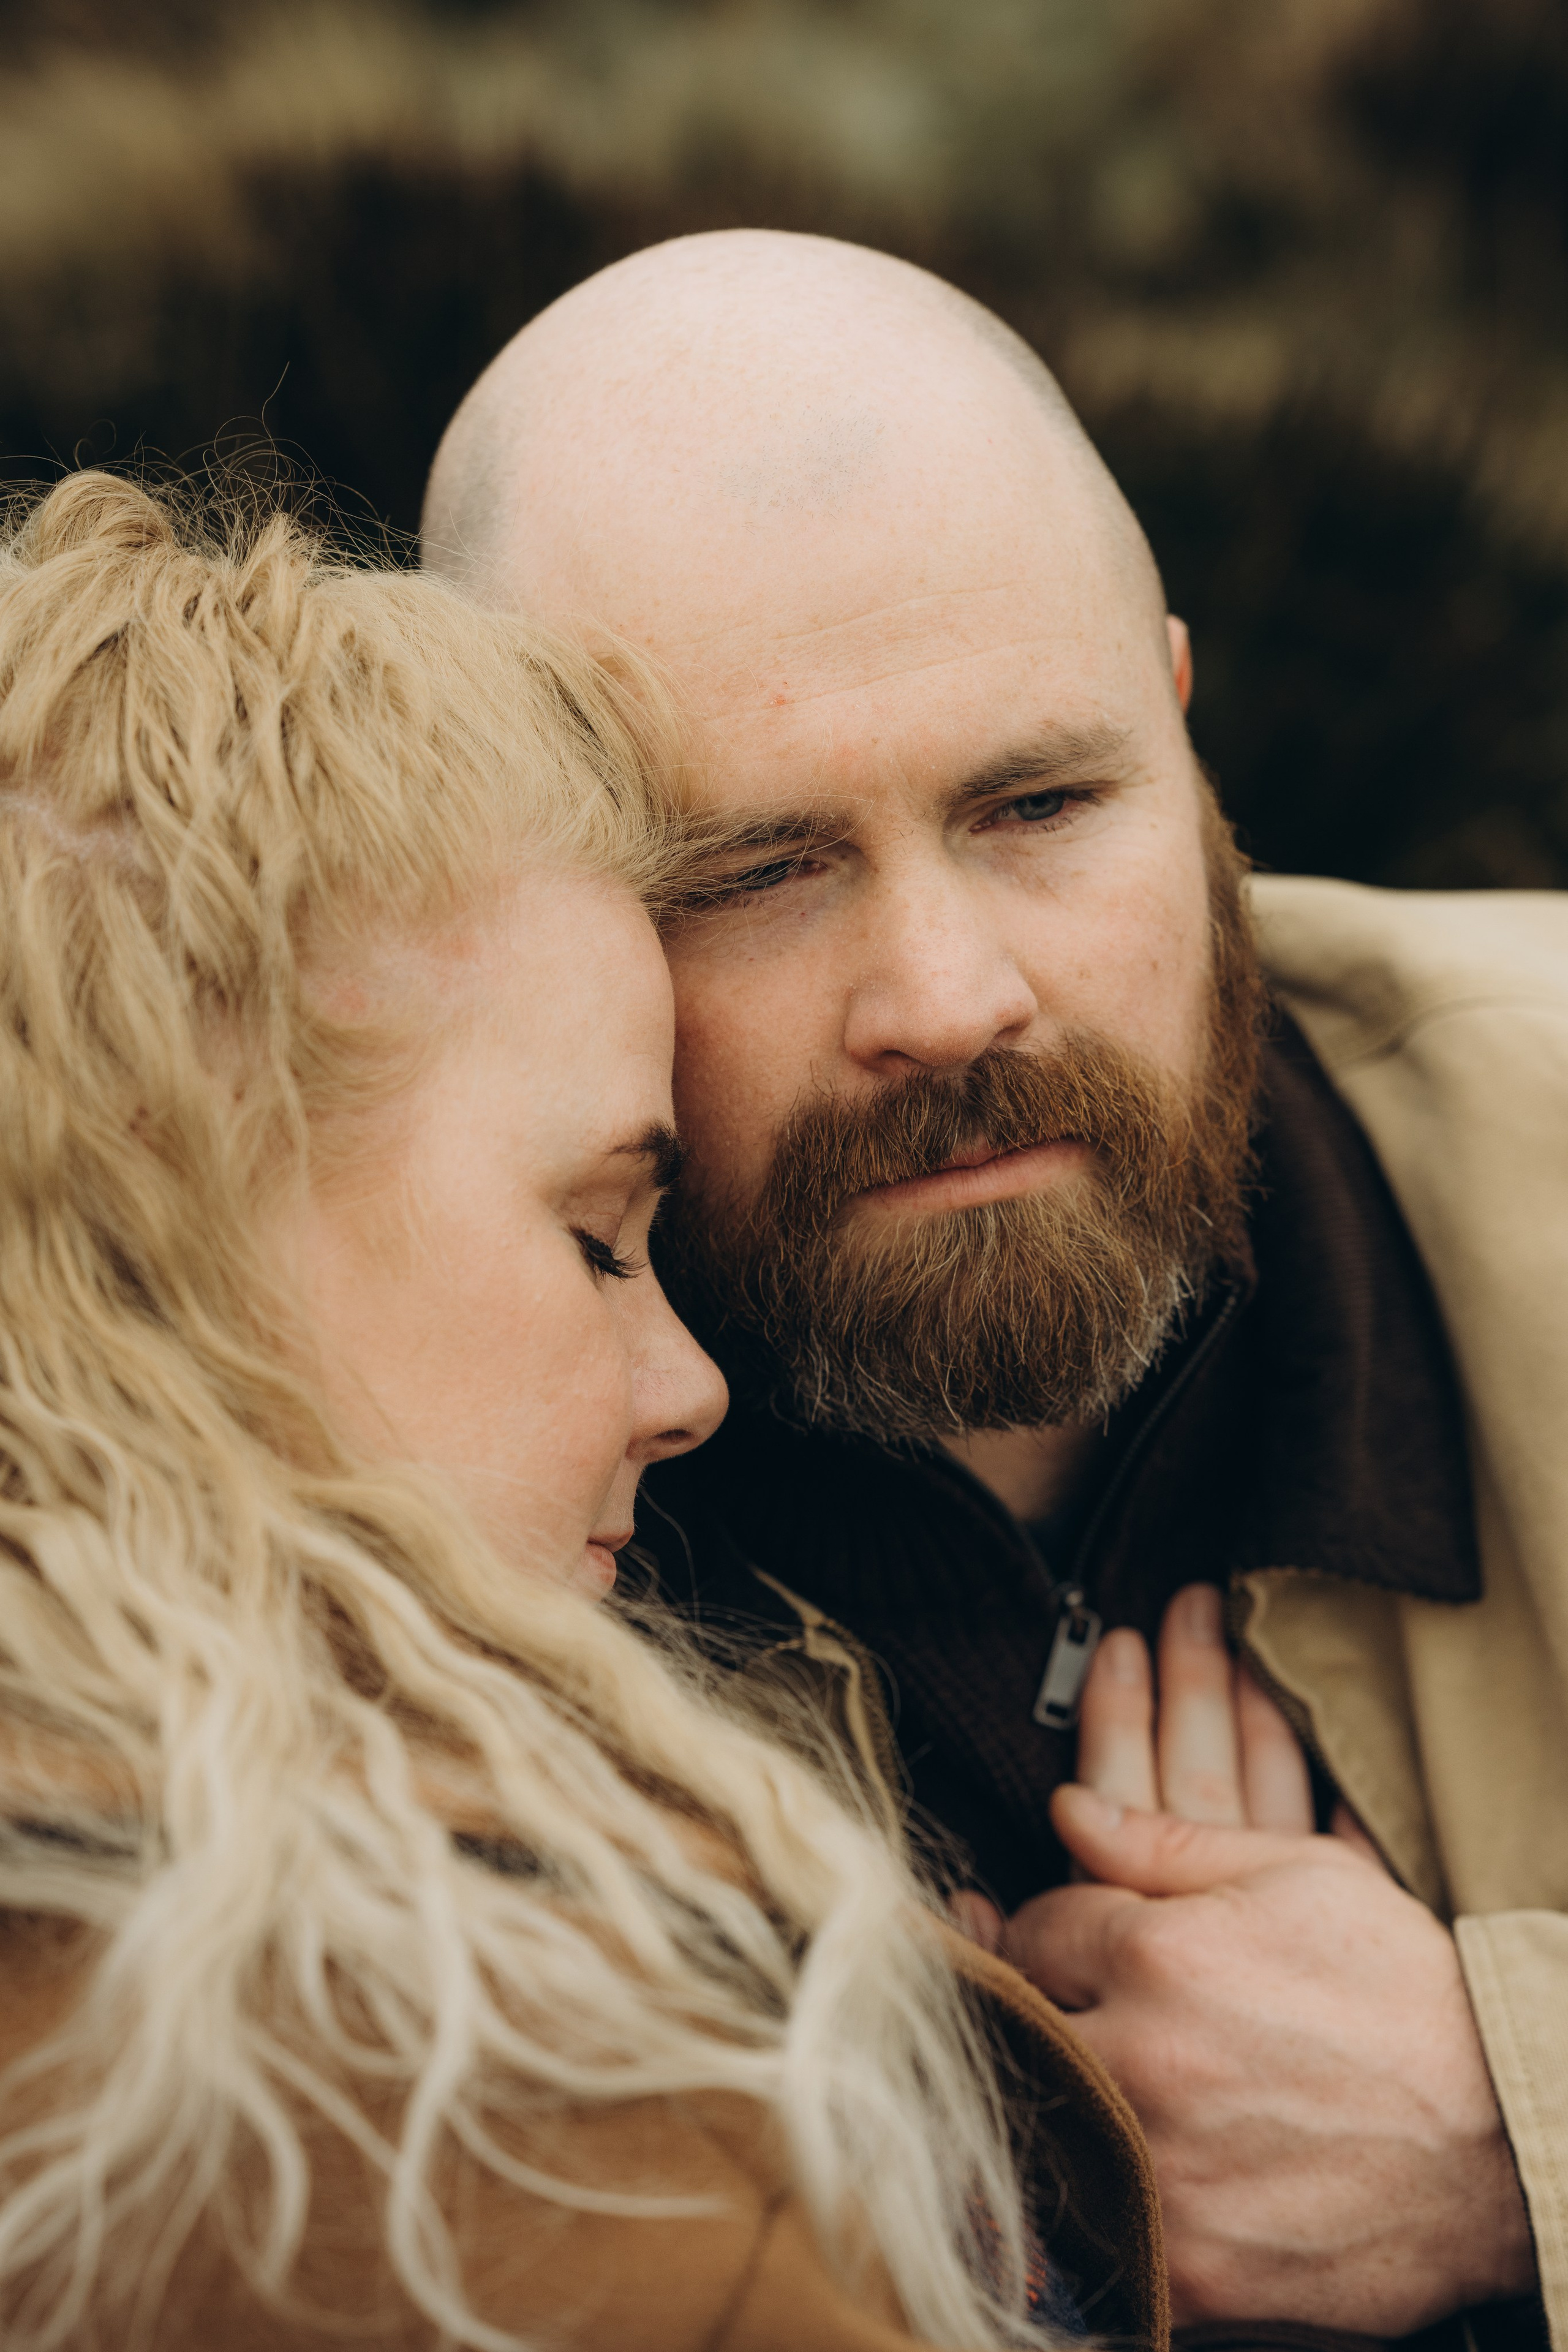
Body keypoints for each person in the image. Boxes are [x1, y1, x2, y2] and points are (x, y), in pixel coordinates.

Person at [422, 228, 1568, 2352]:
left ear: (1186, 724)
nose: (949, 998)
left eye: (1043, 802)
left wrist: (1516, 2134)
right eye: (756, 872)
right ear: (532, 894)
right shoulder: (335, 1425)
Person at [0, 472, 1166, 2349]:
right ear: (171, 1213)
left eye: (1038, 804)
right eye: (603, 1236)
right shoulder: (539, 2178)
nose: (692, 1385)